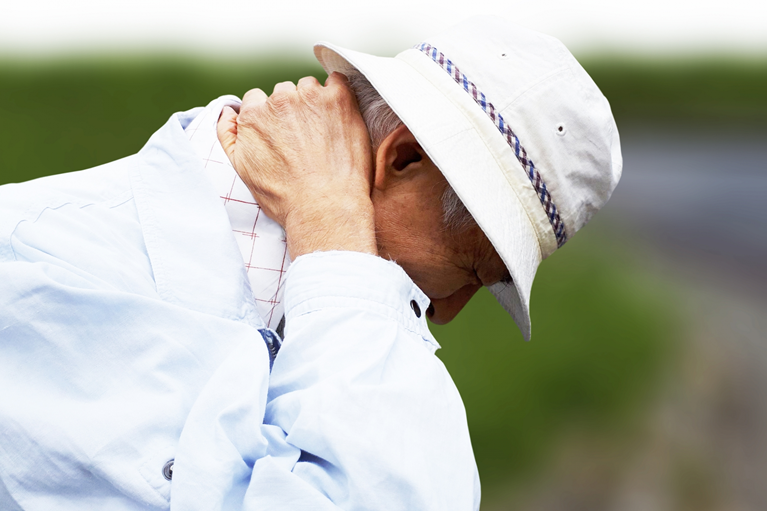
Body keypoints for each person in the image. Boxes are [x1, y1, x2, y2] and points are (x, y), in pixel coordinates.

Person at [0, 17, 621, 511]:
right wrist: (334, 238)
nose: (449, 313)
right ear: (401, 159)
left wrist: (331, 237)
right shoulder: (33, 257)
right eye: (470, 272)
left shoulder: (341, 314)